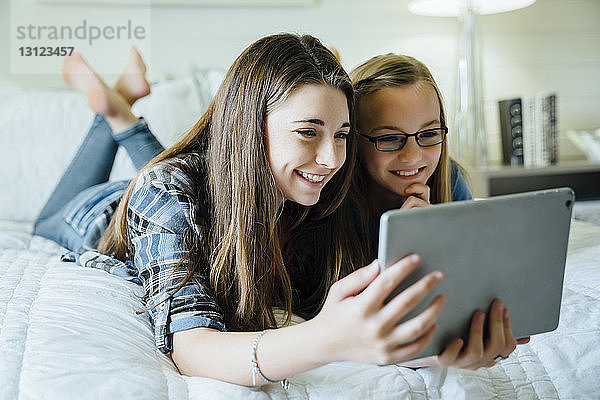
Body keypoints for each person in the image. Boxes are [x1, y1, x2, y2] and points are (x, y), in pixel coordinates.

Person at [33, 35, 449, 387]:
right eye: (308, 132)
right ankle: (115, 111)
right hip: (98, 213)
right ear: (250, 125)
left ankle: (119, 106)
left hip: (219, 183)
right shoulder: (164, 193)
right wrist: (324, 338)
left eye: (341, 135)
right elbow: (192, 347)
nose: (331, 159)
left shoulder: (322, 192)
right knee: (44, 223)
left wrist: (448, 347)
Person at [349, 53, 529, 369]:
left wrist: (436, 239)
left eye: (429, 134)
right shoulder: (337, 199)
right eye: (390, 139)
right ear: (353, 139)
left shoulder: (450, 179)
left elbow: (470, 282)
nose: (414, 156)